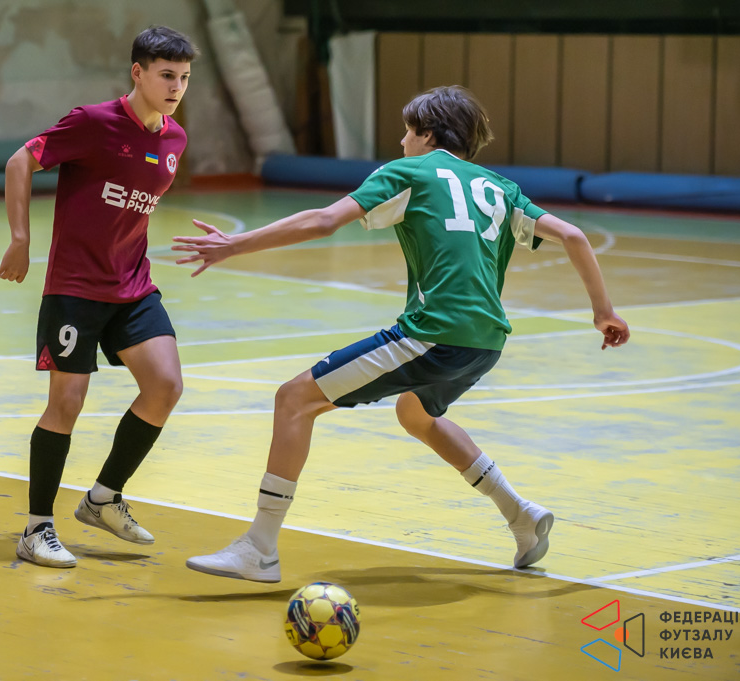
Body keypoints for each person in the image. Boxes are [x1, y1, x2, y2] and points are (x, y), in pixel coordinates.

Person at [172, 85, 630, 582]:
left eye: (407, 131)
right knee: (416, 414)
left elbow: (325, 220)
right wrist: (602, 312)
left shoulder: (408, 171)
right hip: (486, 341)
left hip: (435, 332)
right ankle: (520, 514)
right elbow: (574, 235)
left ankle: (259, 549)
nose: (401, 140)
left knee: (294, 399)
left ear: (428, 134)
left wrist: (235, 244)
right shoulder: (501, 187)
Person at [0, 26, 198, 568]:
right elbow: (20, 162)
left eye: (183, 78)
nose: (176, 87)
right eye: (166, 75)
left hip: (133, 286)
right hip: (76, 289)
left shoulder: (175, 140)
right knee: (67, 403)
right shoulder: (92, 122)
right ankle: (36, 528)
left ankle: (103, 498)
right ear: (138, 73)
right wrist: (21, 239)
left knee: (165, 385)